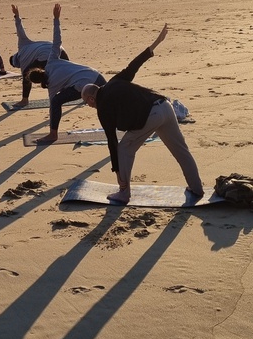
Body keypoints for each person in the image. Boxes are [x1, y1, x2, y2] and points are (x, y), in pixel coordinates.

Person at [81, 23, 203, 204]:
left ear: (91, 99)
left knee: (124, 149)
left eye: (86, 103)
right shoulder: (114, 81)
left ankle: (124, 192)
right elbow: (134, 65)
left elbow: (112, 141)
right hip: (165, 106)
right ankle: (196, 187)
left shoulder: (103, 106)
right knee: (181, 150)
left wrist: (117, 173)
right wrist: (156, 43)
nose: (89, 106)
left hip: (151, 116)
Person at [29, 3, 105, 143]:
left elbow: (54, 105)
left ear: (38, 82)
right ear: (41, 69)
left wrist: (52, 124)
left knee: (57, 101)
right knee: (108, 103)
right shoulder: (51, 60)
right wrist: (56, 19)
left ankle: (53, 135)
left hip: (85, 86)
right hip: (97, 76)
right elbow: (57, 41)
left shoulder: (51, 86)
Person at [9, 3, 69, 106]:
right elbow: (19, 29)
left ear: (17, 62)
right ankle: (75, 90)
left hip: (45, 55)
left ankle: (24, 100)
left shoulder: (23, 61)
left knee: (27, 74)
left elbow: (27, 79)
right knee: (67, 72)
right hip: (61, 50)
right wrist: (16, 15)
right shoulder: (23, 43)